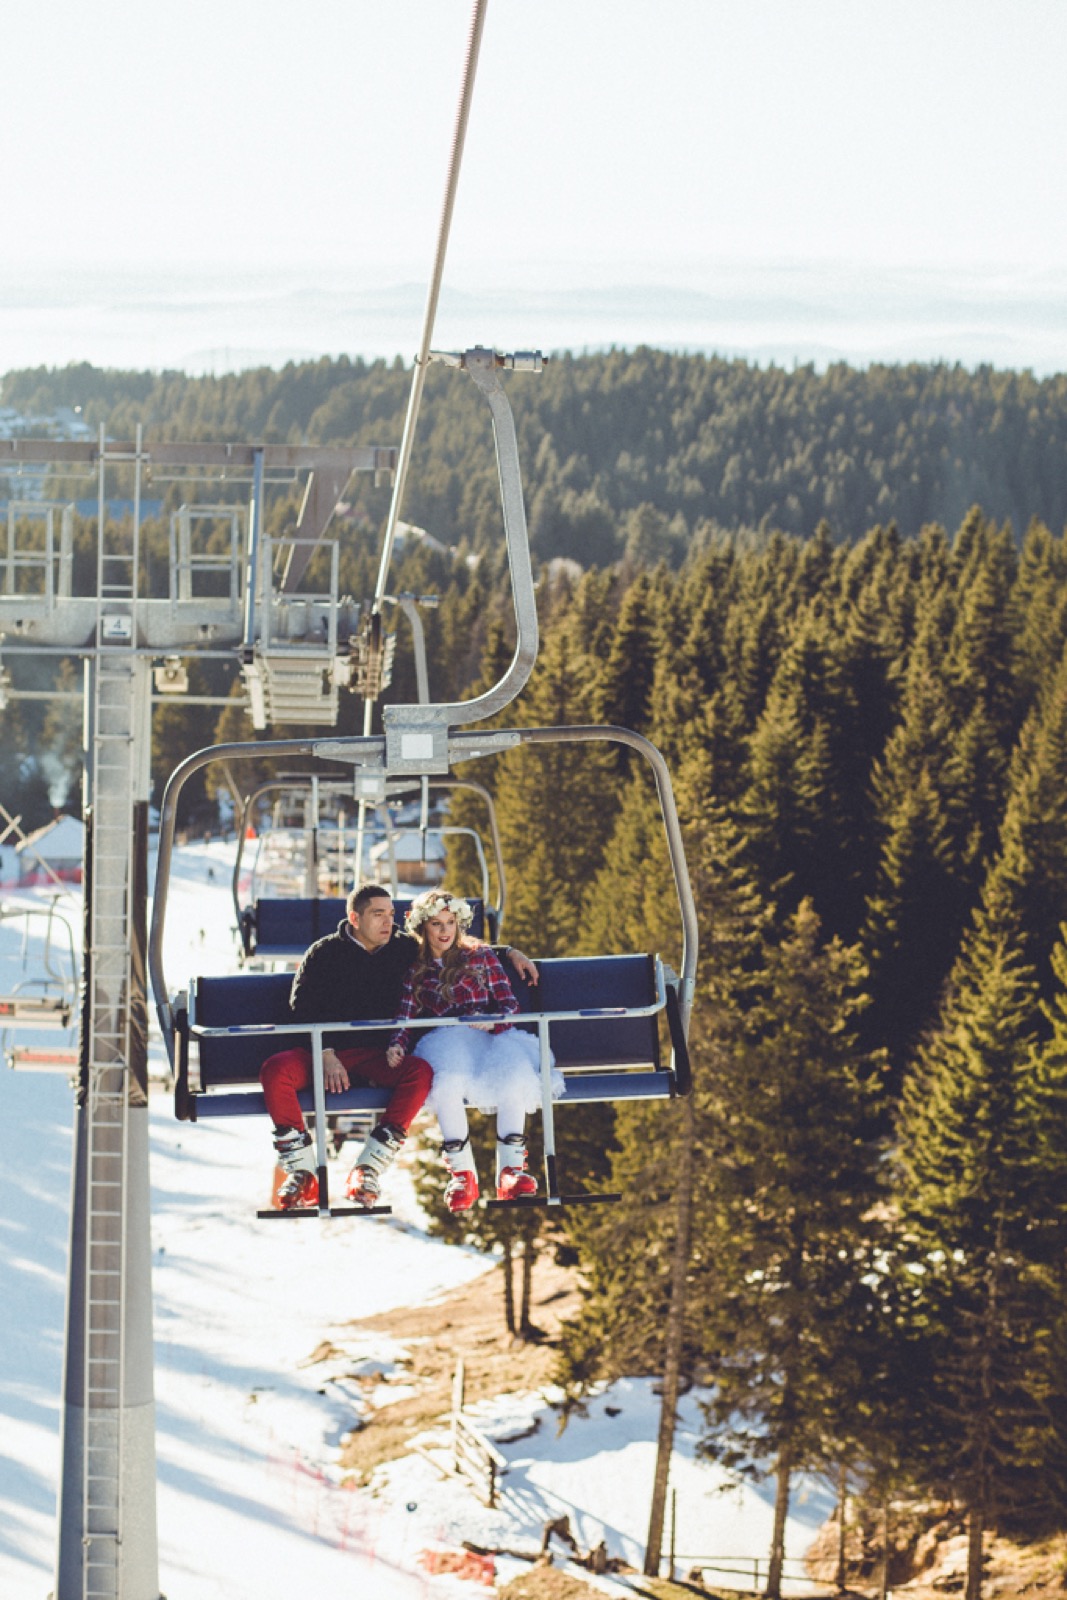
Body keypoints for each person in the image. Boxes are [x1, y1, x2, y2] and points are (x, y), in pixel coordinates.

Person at [260, 883, 537, 1210]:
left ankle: (368, 1168)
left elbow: (451, 946)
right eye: (378, 915)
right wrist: (326, 1053)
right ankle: (303, 1173)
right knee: (276, 1070)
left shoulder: (402, 947)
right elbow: (301, 1008)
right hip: (324, 1052)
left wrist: (508, 953)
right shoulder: (323, 953)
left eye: (391, 915)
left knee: (420, 1073)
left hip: (376, 1055)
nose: (387, 923)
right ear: (355, 918)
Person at [387, 888, 563, 1214]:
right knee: (448, 1081)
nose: (444, 931)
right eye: (436, 924)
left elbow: (509, 1003)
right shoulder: (417, 967)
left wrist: (492, 1022)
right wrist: (397, 1042)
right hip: (446, 1039)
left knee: (513, 1075)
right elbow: (406, 1012)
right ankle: (462, 1173)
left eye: (450, 923)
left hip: (488, 1035)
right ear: (424, 927)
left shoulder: (479, 956)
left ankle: (511, 1170)